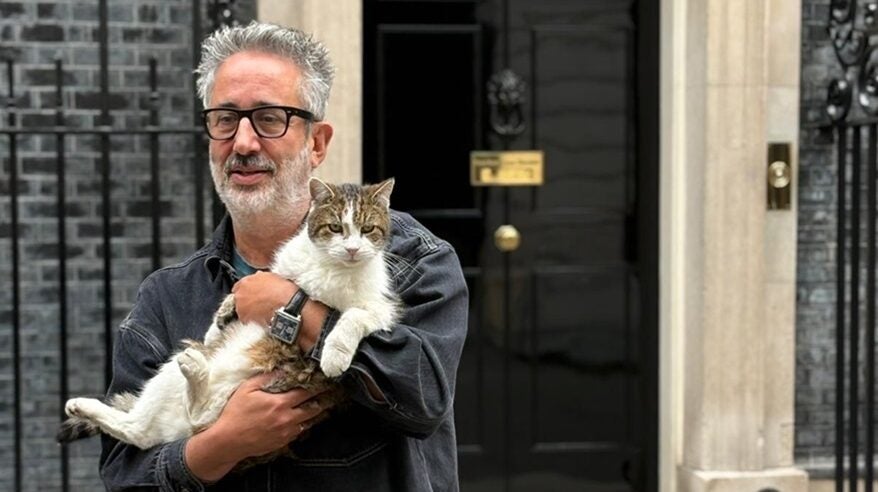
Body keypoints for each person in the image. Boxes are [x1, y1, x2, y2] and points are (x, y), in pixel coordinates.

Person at [99, 21, 469, 491]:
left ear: (317, 143)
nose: (244, 143)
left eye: (270, 118)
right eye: (225, 119)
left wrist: (293, 311)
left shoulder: (414, 260)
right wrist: (218, 446)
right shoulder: (168, 297)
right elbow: (123, 476)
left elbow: (423, 400)